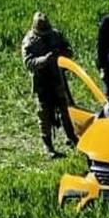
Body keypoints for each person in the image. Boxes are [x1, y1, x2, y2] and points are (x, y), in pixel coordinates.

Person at [21, 11, 76, 157]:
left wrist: (61, 54)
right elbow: (28, 62)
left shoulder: (55, 35)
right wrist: (44, 60)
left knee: (65, 109)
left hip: (57, 78)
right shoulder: (29, 41)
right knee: (44, 115)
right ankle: (48, 146)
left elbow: (69, 50)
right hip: (42, 83)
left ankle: (71, 137)